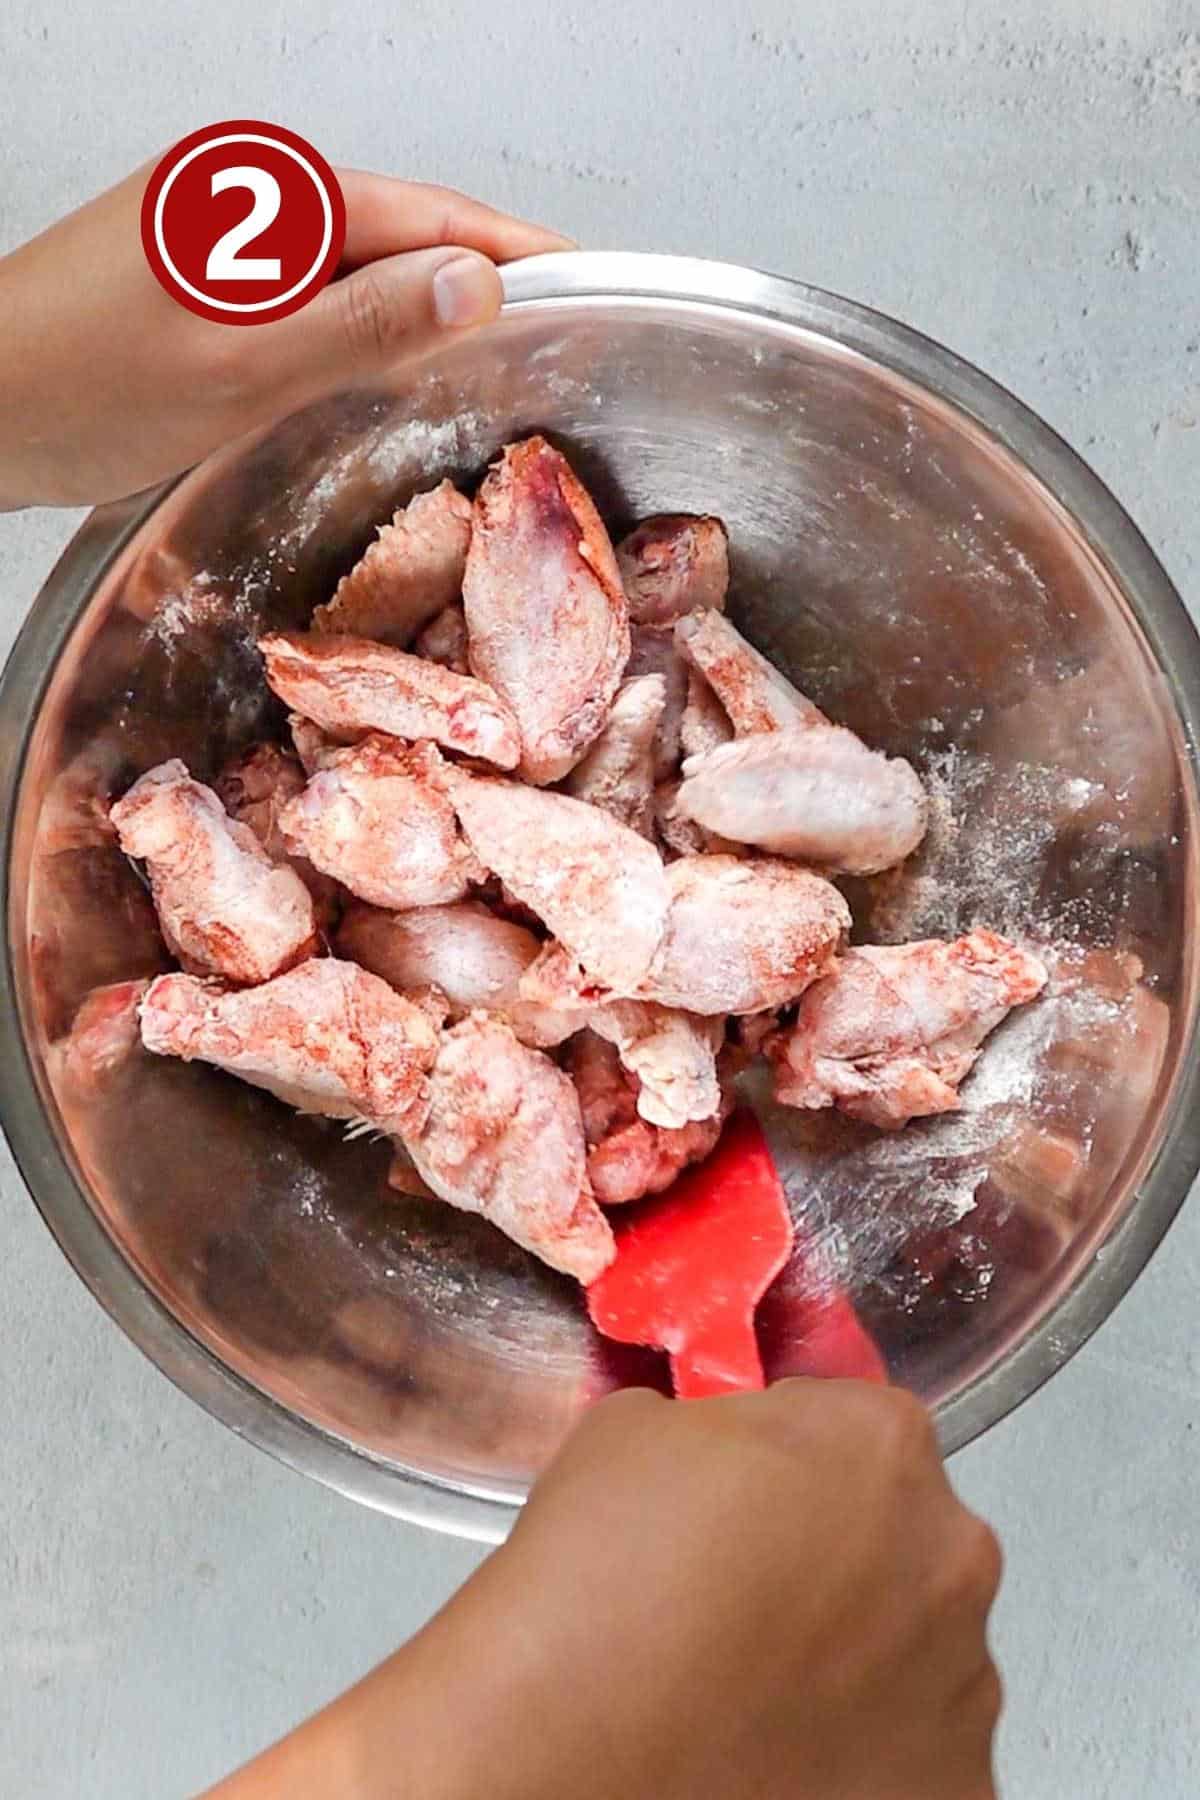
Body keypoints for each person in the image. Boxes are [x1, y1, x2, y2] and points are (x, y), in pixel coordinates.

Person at [1, 165, 1004, 1799]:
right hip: (493, 920)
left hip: (528, 924)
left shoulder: (562, 882)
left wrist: (10, 385)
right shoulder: (457, 879)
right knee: (405, 923)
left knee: (459, 910)